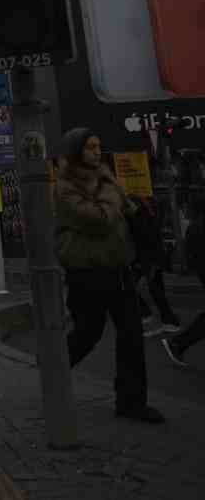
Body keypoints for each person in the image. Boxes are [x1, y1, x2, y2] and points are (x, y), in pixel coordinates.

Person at [55, 128, 163, 423]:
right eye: (89, 147)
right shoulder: (65, 186)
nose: (96, 152)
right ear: (76, 151)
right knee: (87, 333)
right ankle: (53, 372)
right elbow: (99, 219)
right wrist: (113, 193)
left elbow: (128, 210)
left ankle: (131, 402)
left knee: (132, 336)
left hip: (118, 269)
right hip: (87, 273)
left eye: (98, 146)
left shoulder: (106, 178)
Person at [161, 197, 205, 366]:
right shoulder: (196, 229)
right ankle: (178, 343)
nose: (185, 211)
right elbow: (194, 260)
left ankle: (178, 343)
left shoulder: (195, 228)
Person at [128, 198, 180, 335]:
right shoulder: (145, 213)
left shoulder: (139, 216)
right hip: (148, 259)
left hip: (148, 260)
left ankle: (164, 320)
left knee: (154, 291)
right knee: (154, 291)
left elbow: (146, 238)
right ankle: (159, 318)